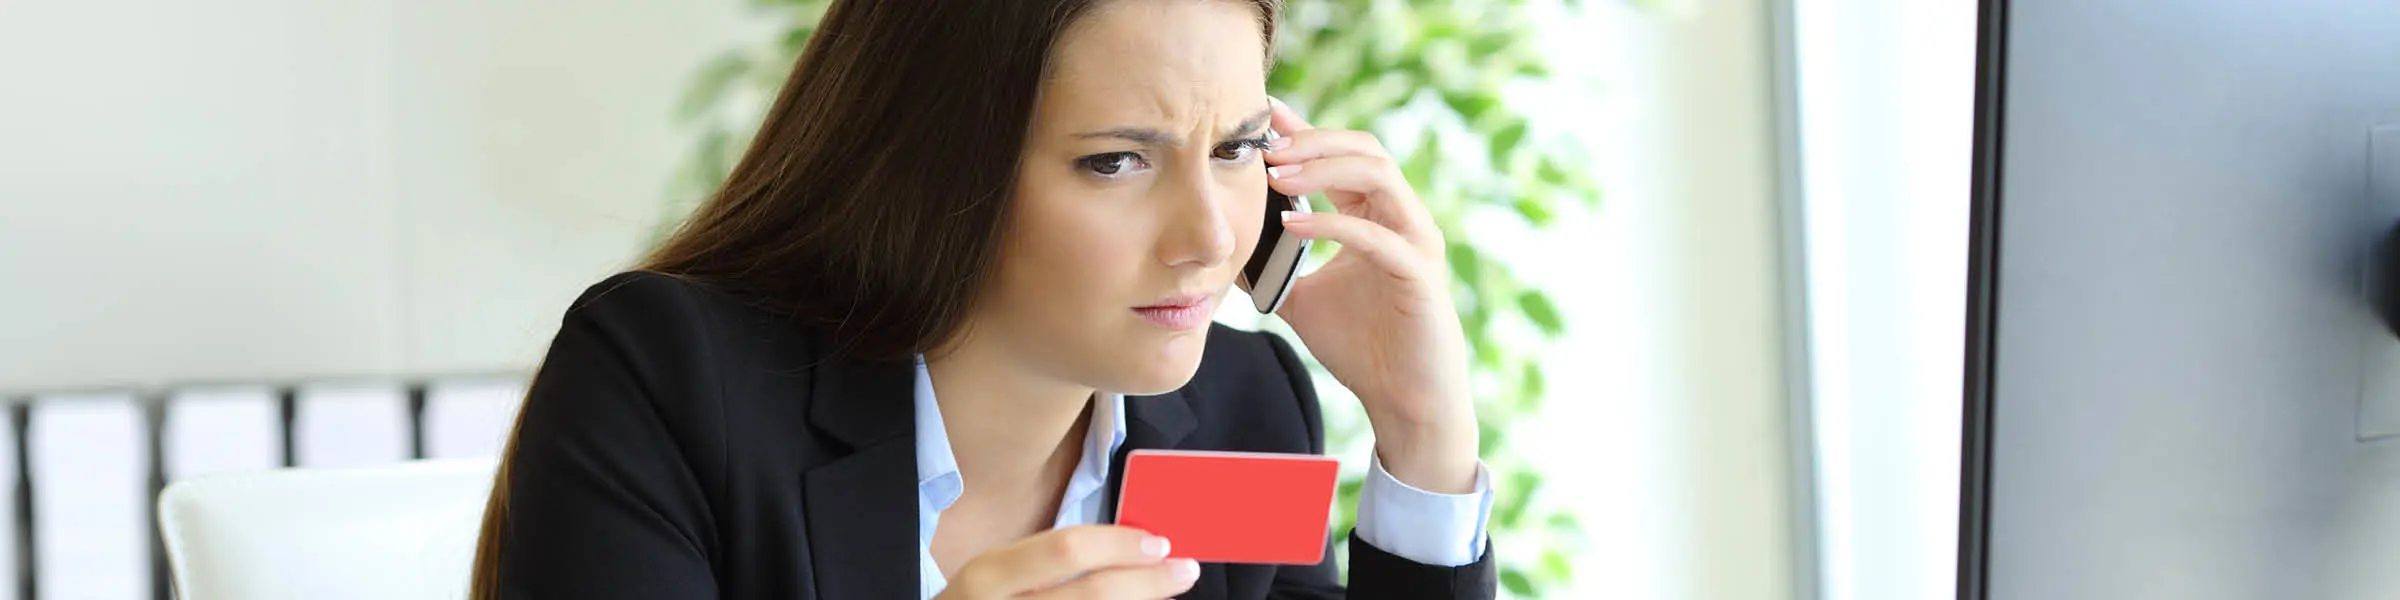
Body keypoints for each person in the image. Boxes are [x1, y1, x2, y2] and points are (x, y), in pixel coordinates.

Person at [468, 0, 1497, 597]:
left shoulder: (1239, 413)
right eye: (1114, 163)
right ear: (936, 167)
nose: (1212, 239)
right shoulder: (669, 384)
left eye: (1235, 150)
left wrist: (1422, 433)